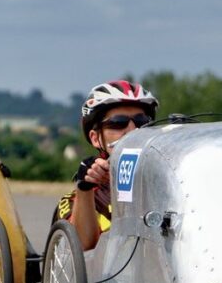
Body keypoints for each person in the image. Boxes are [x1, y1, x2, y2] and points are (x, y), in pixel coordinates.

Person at [53, 80, 158, 250]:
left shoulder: (165, 181)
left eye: (142, 122)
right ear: (95, 138)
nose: (133, 131)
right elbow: (81, 246)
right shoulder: (79, 197)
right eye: (118, 123)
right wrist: (85, 188)